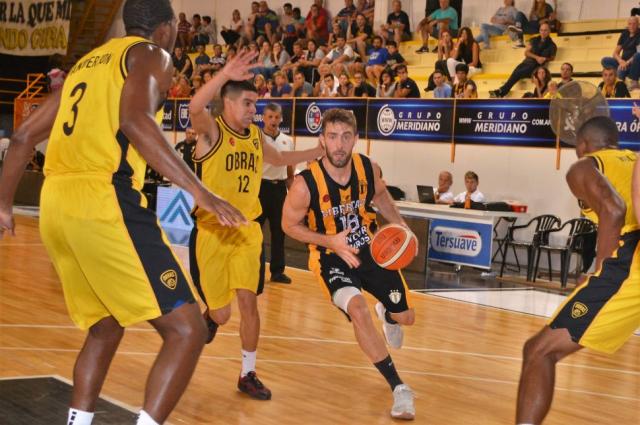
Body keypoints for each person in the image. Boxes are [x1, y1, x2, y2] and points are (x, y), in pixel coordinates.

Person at [0, 1, 247, 424]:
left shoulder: (87, 64)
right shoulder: (152, 54)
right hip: (104, 196)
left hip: (55, 203)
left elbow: (23, 136)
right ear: (166, 27)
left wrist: (5, 204)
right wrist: (200, 191)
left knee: (105, 325)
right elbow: (134, 121)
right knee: (188, 330)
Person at [187, 50, 324, 400]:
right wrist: (223, 75)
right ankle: (211, 316)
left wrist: (316, 152)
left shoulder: (256, 137)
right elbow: (194, 107)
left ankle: (247, 373)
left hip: (247, 233)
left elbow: (279, 158)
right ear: (228, 103)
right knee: (222, 314)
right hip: (212, 233)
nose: (253, 110)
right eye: (248, 104)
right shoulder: (211, 132)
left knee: (250, 304)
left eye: (255, 105)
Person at [281, 108, 416, 420]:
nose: (339, 144)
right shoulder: (305, 184)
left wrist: (402, 226)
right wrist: (330, 242)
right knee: (358, 309)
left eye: (345, 137)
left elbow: (381, 197)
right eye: (332, 137)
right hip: (330, 257)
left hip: (371, 250)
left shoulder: (368, 168)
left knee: (406, 317)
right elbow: (289, 225)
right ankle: (399, 387)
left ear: (356, 138)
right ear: (322, 140)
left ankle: (390, 315)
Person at [516, 116, 639, 425]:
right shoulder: (633, 159)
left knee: (539, 352)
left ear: (582, 144)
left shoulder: (585, 166)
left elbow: (614, 209)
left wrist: (599, 267)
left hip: (629, 261)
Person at [257, 103, 294, 284]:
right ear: (263, 118)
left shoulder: (288, 140)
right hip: (259, 188)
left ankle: (277, 271)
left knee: (279, 231)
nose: (273, 120)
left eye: (276, 117)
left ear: (281, 118)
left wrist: (292, 190)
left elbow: (290, 168)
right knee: (256, 231)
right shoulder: (256, 138)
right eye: (270, 117)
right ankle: (256, 270)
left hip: (279, 189)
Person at [490, 23, 556, 98]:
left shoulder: (552, 45)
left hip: (536, 69)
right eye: (541, 30)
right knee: (517, 71)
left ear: (549, 31)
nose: (543, 32)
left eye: (545, 30)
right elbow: (526, 53)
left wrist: (545, 59)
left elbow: (552, 57)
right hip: (526, 64)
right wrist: (537, 57)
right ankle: (502, 91)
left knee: (518, 72)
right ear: (539, 31)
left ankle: (501, 91)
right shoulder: (534, 40)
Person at [600, 16, 640, 90]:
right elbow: (615, 53)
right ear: (627, 24)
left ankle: (633, 81)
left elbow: (639, 52)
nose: (632, 26)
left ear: (638, 24)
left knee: (638, 55)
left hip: (633, 64)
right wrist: (621, 61)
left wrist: (626, 63)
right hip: (623, 62)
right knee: (605, 60)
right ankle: (620, 77)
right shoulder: (625, 34)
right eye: (630, 24)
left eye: (634, 24)